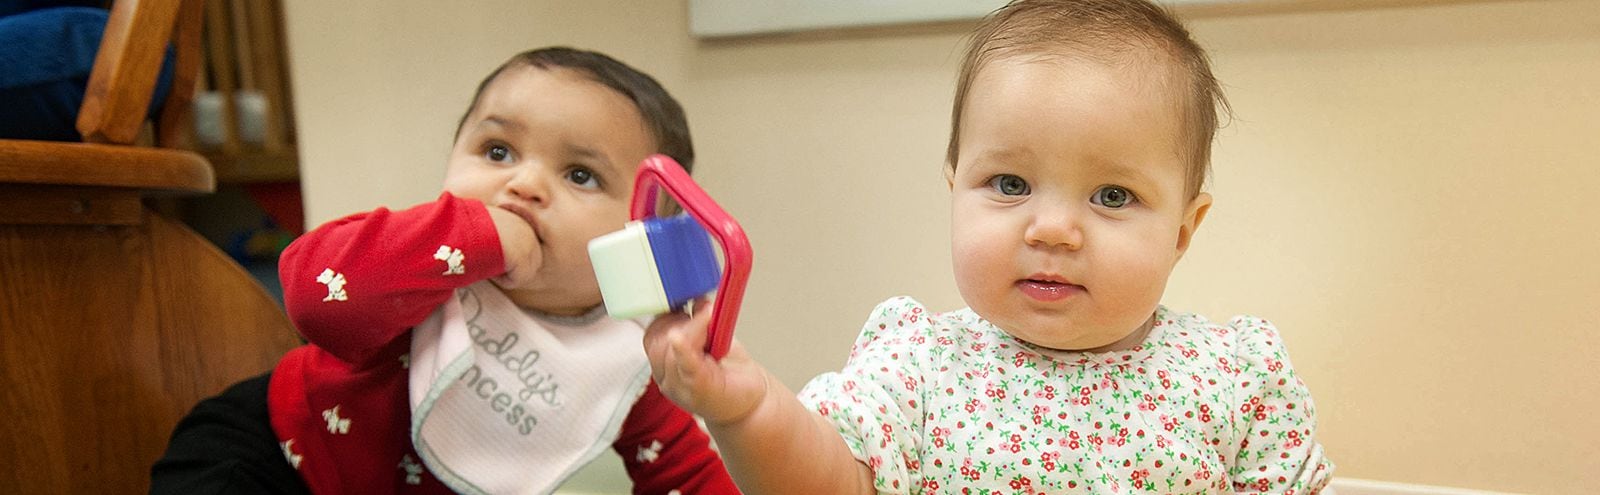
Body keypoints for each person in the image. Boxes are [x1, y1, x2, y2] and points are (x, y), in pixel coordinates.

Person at [643, 0, 1334, 493]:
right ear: (955, 190)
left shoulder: (1238, 377)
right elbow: (829, 478)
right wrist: (748, 408)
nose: (1052, 229)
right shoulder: (916, 366)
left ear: (1184, 230)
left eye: (1112, 196)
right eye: (1009, 182)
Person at [151, 47, 739, 494]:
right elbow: (313, 298)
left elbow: (685, 473)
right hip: (271, 453)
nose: (523, 185)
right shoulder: (430, 259)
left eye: (580, 175)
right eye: (497, 151)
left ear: (646, 233)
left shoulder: (622, 355)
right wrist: (473, 238)